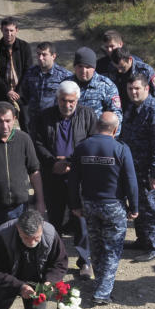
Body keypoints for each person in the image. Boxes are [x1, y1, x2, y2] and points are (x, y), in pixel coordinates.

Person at [69, 112, 138, 305]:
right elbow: (131, 181)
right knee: (112, 250)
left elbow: (73, 180)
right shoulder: (121, 149)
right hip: (113, 206)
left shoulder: (82, 148)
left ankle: (100, 282)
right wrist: (134, 207)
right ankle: (102, 292)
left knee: (97, 246)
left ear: (96, 127)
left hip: (90, 205)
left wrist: (75, 204)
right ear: (115, 129)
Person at [32, 81, 98, 279]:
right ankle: (55, 260)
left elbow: (92, 141)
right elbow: (37, 143)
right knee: (54, 220)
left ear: (77, 100)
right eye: (63, 100)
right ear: (57, 98)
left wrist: (70, 161)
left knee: (81, 219)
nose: (67, 105)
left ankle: (85, 261)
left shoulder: (87, 115)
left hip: (78, 176)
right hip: (52, 175)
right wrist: (53, 162)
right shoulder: (44, 117)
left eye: (71, 101)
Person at [0, 102, 44, 238]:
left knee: (18, 244)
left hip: (20, 207)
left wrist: (40, 200)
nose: (4, 126)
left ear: (15, 119)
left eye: (8, 121)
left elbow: (34, 171)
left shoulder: (24, 139)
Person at [119, 73, 155, 262]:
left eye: (137, 88)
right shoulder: (132, 107)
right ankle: (142, 239)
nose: (133, 92)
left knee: (151, 208)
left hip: (147, 170)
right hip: (132, 167)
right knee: (137, 204)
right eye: (130, 89)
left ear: (147, 89)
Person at [68, 47, 123, 129]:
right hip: (70, 135)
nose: (83, 70)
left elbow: (116, 116)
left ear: (94, 68)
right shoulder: (66, 84)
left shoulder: (106, 86)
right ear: (74, 67)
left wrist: (108, 138)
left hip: (96, 136)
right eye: (80, 66)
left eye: (87, 67)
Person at [20, 41, 70, 131]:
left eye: (44, 55)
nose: (40, 58)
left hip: (55, 122)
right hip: (34, 122)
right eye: (38, 54)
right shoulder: (31, 73)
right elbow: (25, 94)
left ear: (53, 56)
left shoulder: (64, 76)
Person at [0, 17, 33, 129]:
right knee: (2, 126)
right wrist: (7, 91)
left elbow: (28, 70)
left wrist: (17, 92)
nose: (9, 34)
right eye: (6, 30)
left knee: (27, 126)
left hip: (21, 94)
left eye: (11, 30)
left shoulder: (24, 47)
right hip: (2, 93)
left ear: (17, 30)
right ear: (1, 30)